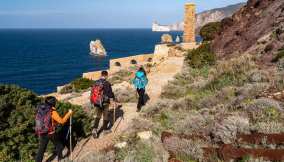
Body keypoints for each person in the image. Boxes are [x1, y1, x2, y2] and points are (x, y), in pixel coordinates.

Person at [35, 96, 73, 162]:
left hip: (42, 132)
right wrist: (69, 113)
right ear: (53, 103)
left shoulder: (40, 109)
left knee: (41, 150)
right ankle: (60, 159)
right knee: (59, 146)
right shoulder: (52, 111)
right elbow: (62, 121)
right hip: (51, 133)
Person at [91, 70, 116, 138]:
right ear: (106, 75)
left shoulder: (96, 82)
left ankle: (94, 129)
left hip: (96, 102)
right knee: (105, 115)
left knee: (98, 116)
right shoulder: (107, 83)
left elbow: (93, 91)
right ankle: (105, 130)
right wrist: (113, 99)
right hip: (104, 102)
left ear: (101, 75)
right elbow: (110, 94)